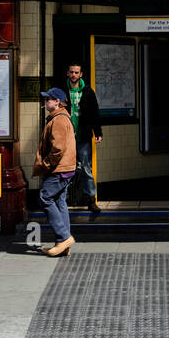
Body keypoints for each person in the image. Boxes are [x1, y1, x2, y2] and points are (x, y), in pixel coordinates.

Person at [37, 87, 77, 257]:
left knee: (45, 197)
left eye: (48, 99)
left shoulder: (59, 120)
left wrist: (46, 164)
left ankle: (64, 237)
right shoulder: (59, 117)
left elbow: (58, 148)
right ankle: (63, 244)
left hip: (59, 168)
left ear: (57, 102)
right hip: (65, 168)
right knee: (60, 201)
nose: (45, 102)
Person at [65, 62, 103, 218]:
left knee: (86, 168)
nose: (74, 75)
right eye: (71, 72)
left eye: (76, 72)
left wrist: (98, 132)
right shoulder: (62, 90)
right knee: (65, 168)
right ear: (68, 73)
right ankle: (63, 200)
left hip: (83, 136)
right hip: (67, 137)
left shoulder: (88, 92)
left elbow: (95, 113)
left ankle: (91, 200)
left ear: (81, 75)